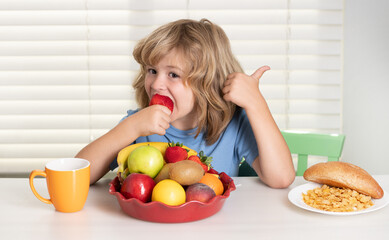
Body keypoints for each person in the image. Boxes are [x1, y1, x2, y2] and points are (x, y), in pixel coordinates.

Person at [75, 19, 295, 187]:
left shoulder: (232, 124)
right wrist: (129, 128)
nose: (156, 84)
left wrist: (256, 104)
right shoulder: (138, 124)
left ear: (206, 84)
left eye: (173, 75)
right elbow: (76, 175)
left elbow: (282, 178)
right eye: (152, 71)